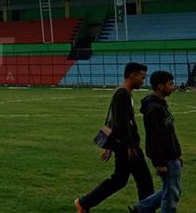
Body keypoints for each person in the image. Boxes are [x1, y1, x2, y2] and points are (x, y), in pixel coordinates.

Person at [75, 62, 154, 213]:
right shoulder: (122, 93)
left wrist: (111, 146)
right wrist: (130, 147)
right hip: (127, 146)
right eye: (142, 77)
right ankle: (145, 210)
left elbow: (115, 121)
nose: (143, 81)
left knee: (119, 180)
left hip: (122, 145)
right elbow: (121, 123)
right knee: (144, 182)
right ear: (132, 75)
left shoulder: (123, 92)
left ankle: (84, 203)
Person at [130, 71, 182, 213]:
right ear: (160, 86)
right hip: (165, 158)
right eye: (171, 84)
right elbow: (154, 137)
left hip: (172, 155)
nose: (174, 87)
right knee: (170, 195)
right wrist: (159, 162)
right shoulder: (153, 109)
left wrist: (178, 152)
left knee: (171, 189)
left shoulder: (162, 104)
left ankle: (140, 209)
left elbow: (169, 129)